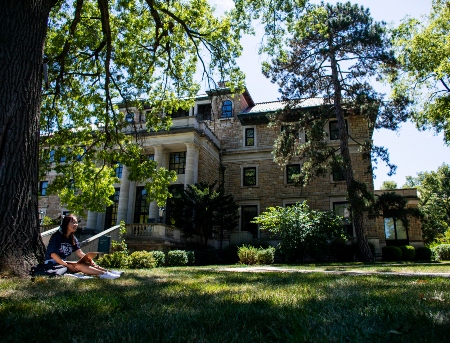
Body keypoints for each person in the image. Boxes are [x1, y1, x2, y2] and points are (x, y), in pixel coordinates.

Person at [44, 214, 121, 279]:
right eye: (73, 222)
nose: (76, 225)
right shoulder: (57, 237)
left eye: (76, 222)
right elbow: (53, 254)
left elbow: (80, 253)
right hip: (52, 264)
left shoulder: (72, 238)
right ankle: (104, 275)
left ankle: (108, 272)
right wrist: (67, 265)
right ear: (66, 224)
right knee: (80, 265)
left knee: (88, 263)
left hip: (62, 263)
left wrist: (90, 260)